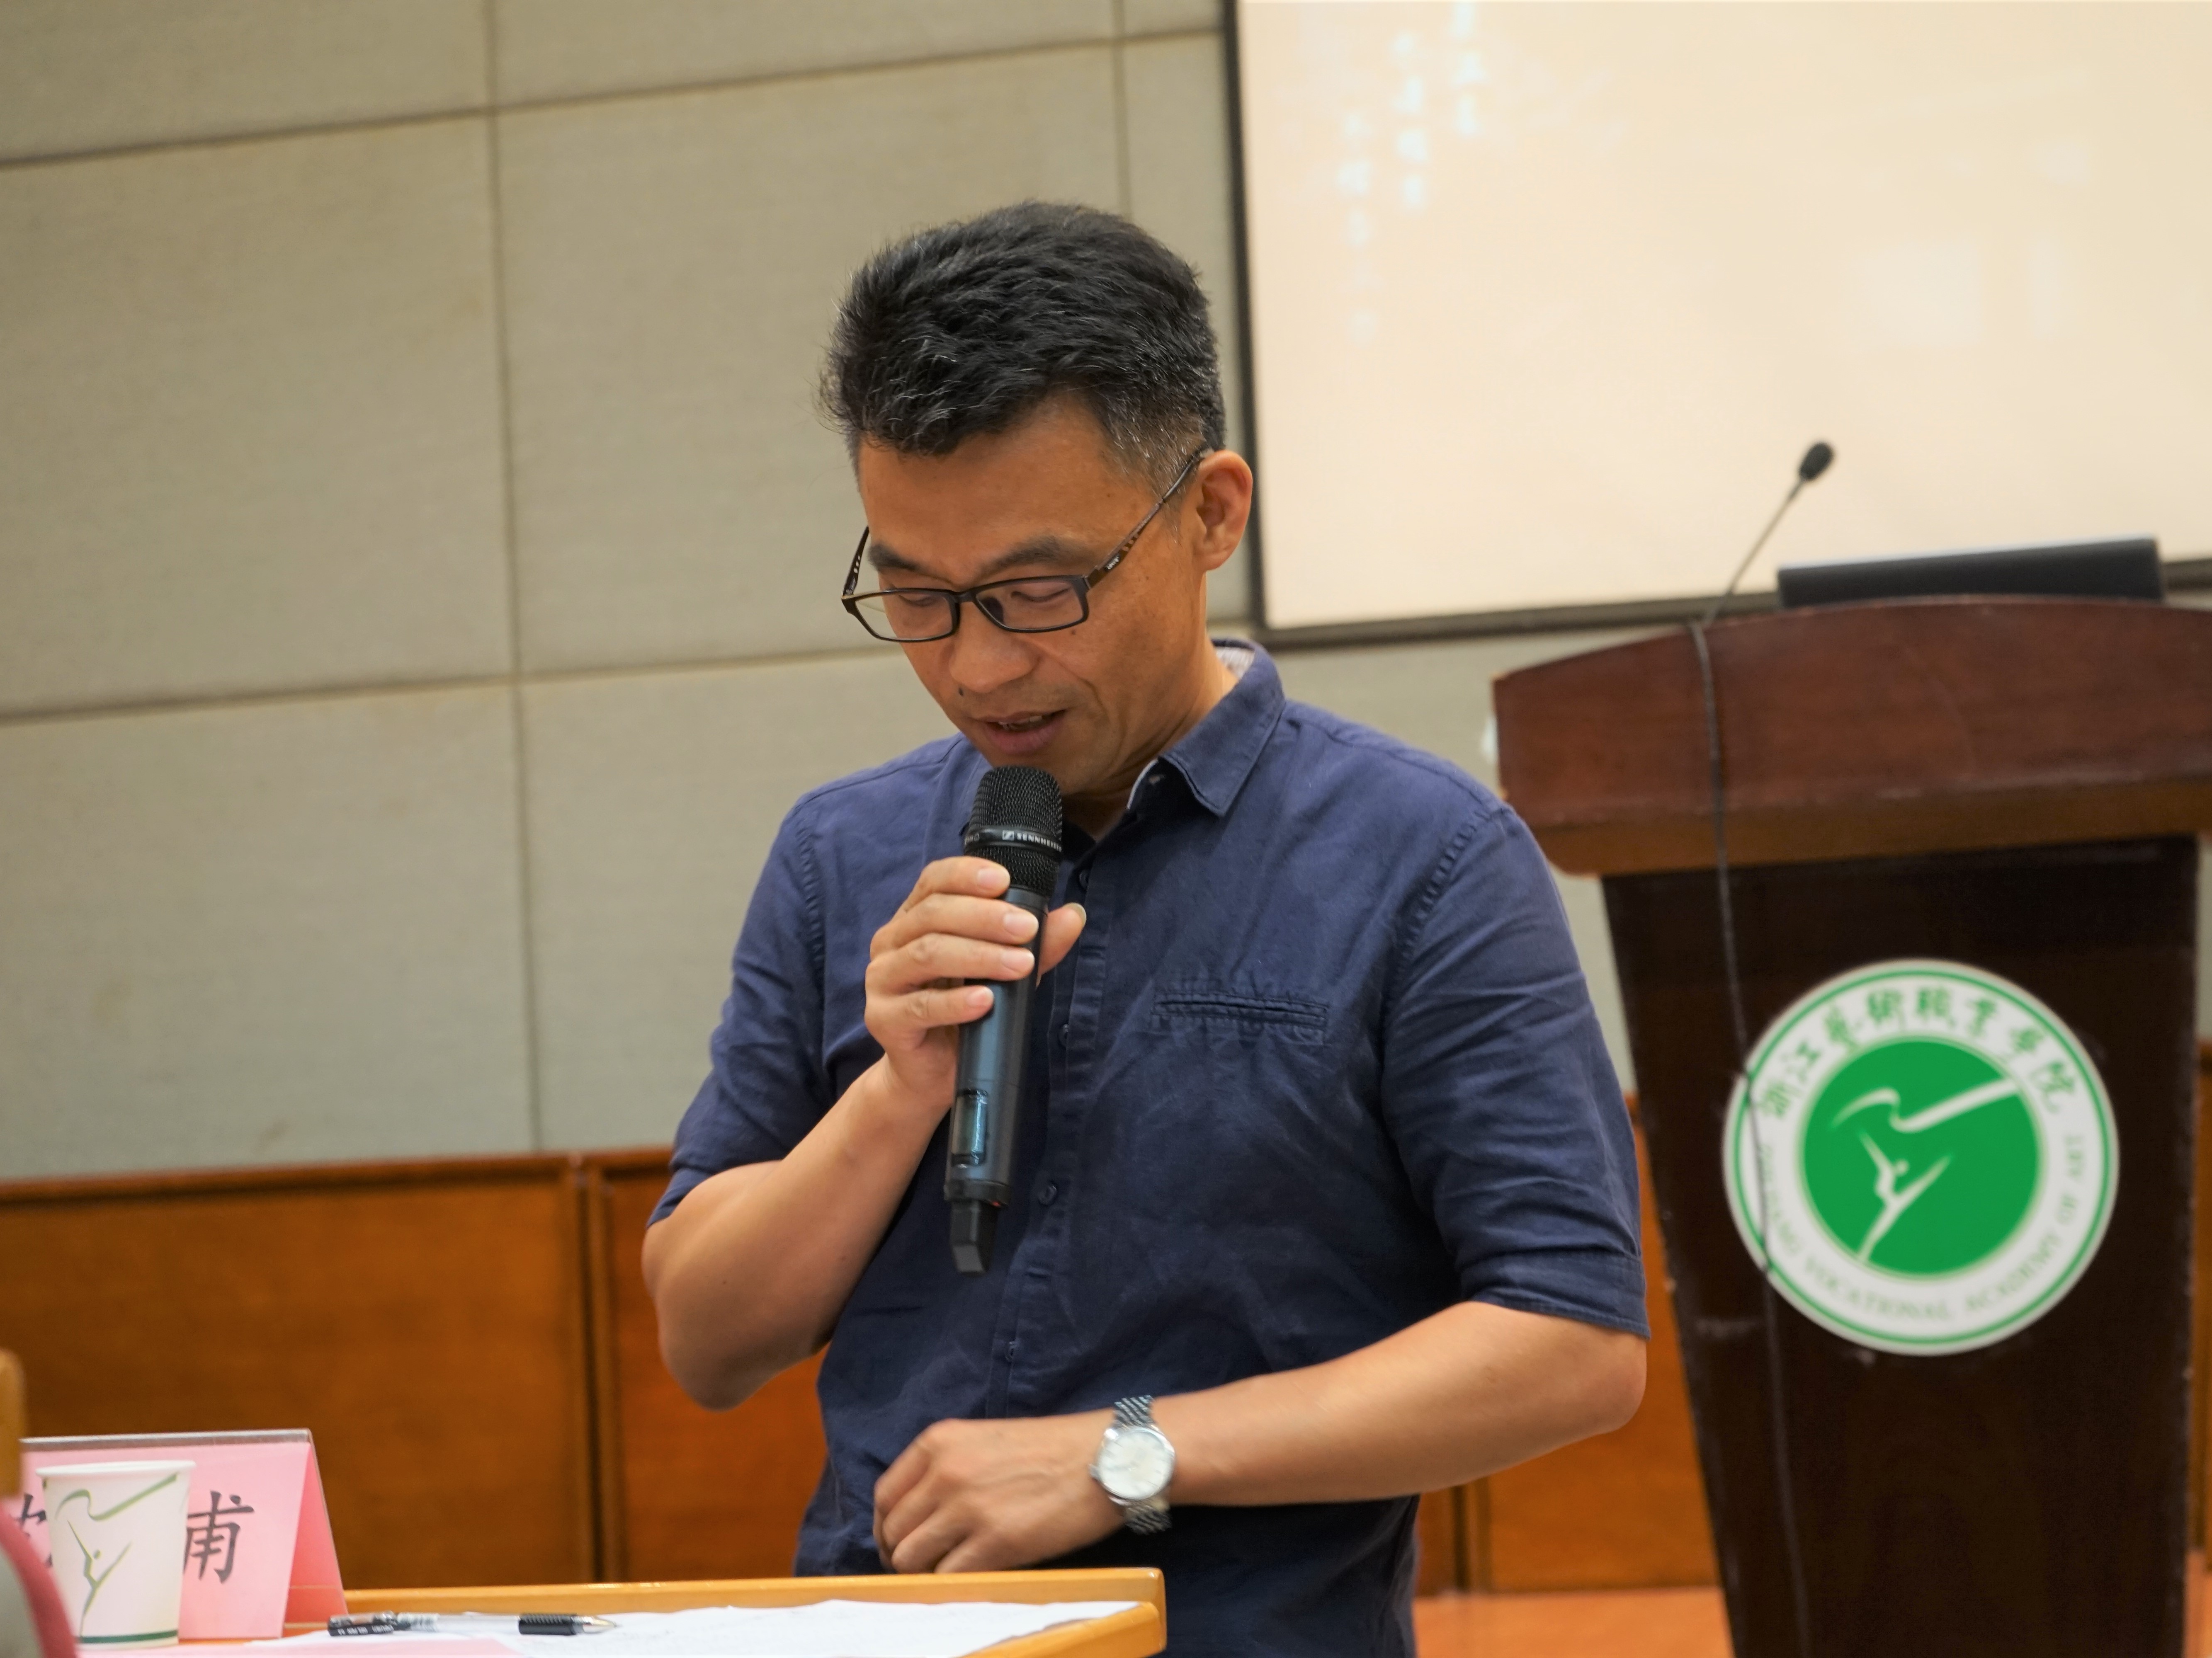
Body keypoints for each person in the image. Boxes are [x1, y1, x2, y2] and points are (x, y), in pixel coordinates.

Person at [643, 202, 1647, 1656]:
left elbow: (1574, 1340)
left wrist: (1128, 1452)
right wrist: (900, 1090)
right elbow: (706, 1341)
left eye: (1038, 593)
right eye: (916, 597)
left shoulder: (1424, 858)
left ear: (1211, 513)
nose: (979, 667)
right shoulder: (838, 853)